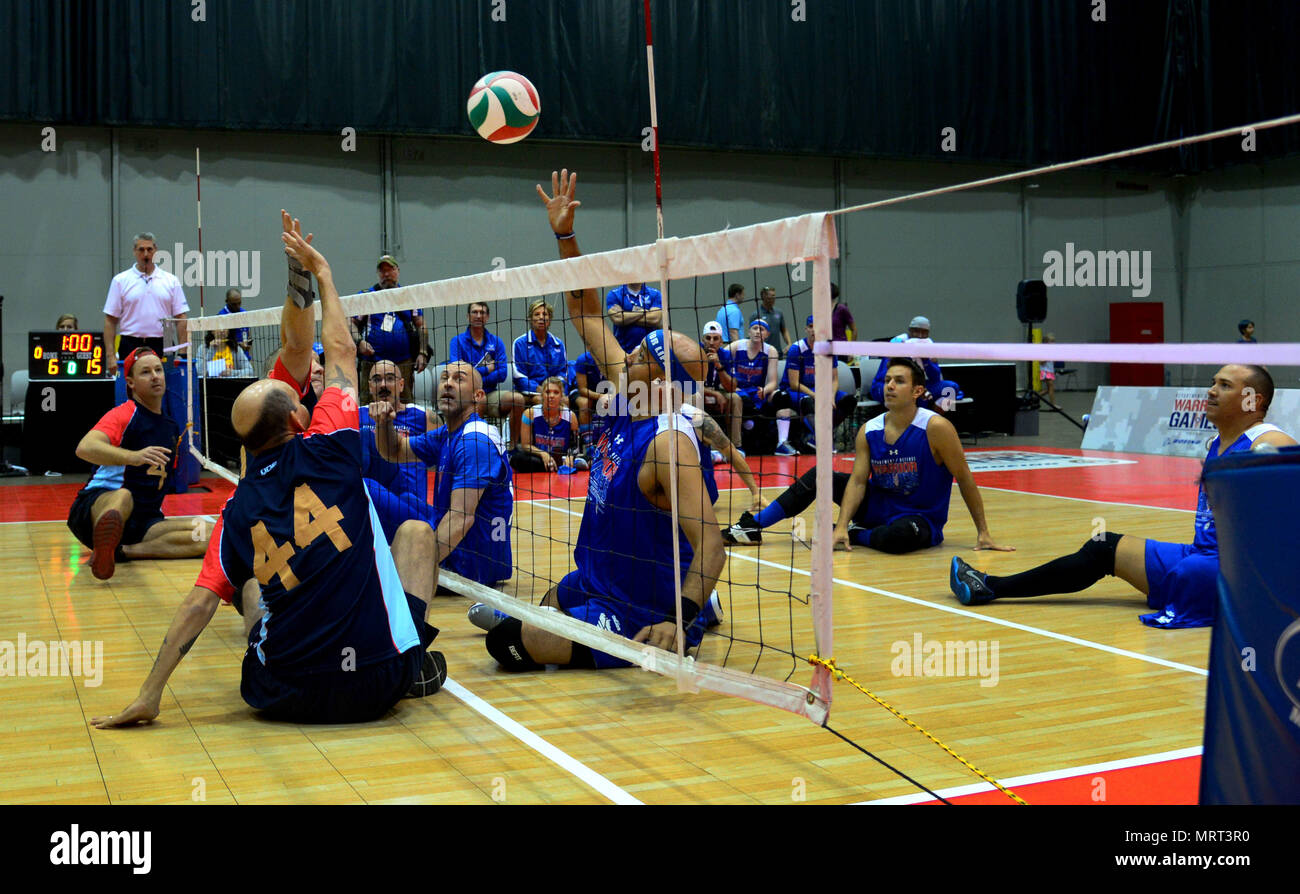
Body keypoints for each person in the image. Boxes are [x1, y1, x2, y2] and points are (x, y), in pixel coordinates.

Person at [91, 211, 446, 729]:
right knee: (413, 534)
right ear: (298, 413)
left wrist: (150, 693)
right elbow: (337, 348)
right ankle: (406, 647)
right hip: (377, 684)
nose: (301, 373)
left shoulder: (237, 502)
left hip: (282, 695)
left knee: (250, 584)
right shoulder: (331, 441)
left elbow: (197, 602)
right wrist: (321, 271)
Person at [472, 168, 725, 673]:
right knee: (544, 605)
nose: (624, 360)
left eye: (640, 360)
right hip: (598, 576)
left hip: (640, 604)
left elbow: (714, 545)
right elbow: (587, 314)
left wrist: (681, 617)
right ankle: (670, 613)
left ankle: (682, 626)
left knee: (507, 645)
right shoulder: (628, 390)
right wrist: (566, 236)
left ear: (662, 385)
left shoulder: (668, 445)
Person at [951, 363, 1295, 628]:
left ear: (1254, 399)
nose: (1210, 391)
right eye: (1213, 382)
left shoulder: (1270, 443)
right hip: (1205, 553)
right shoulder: (1215, 445)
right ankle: (991, 586)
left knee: (1190, 573)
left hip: (1240, 570)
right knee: (1104, 546)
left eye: (1224, 386)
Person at [724, 358, 1012, 555]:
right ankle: (753, 526)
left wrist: (983, 531)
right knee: (819, 476)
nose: (889, 386)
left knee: (898, 540)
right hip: (876, 505)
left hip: (919, 518)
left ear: (917, 391)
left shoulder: (936, 428)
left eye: (899, 381)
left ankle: (857, 532)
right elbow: (859, 482)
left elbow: (963, 477)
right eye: (887, 380)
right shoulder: (869, 429)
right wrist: (839, 524)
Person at [68, 347, 211, 580]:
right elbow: (85, 448)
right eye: (146, 372)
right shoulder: (124, 414)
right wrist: (134, 456)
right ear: (131, 383)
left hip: (144, 521)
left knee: (208, 532)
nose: (155, 376)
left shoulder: (171, 427)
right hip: (97, 507)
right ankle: (105, 538)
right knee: (124, 497)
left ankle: (121, 552)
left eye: (158, 370)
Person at [374, 360, 514, 589]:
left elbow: (461, 519)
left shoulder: (474, 441)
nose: (448, 384)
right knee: (408, 499)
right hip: (467, 545)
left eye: (459, 379)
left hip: (471, 564)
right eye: (444, 378)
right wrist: (383, 424)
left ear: (478, 396)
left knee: (369, 488)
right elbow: (394, 451)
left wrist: (415, 567)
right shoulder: (447, 433)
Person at [358, 359, 438, 541]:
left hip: (411, 501)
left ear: (401, 385)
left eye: (390, 379)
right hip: (375, 501)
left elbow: (443, 462)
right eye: (377, 380)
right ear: (370, 387)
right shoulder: (357, 415)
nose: (384, 384)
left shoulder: (423, 415)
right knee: (365, 436)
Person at [103, 232, 189, 377]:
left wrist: (183, 352)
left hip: (164, 343)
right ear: (134, 252)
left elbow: (181, 318)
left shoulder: (171, 280)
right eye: (141, 250)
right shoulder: (120, 281)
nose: (146, 254)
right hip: (130, 343)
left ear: (155, 251)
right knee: (129, 389)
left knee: (163, 388)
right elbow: (110, 321)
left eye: (149, 249)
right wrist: (110, 356)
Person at [352, 254, 429, 403]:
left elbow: (421, 325)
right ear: (378, 274)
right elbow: (351, 324)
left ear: (398, 271)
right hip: (372, 362)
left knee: (404, 402)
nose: (386, 274)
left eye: (390, 269)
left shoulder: (409, 296)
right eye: (382, 271)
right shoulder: (366, 296)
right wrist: (359, 342)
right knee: (369, 403)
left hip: (403, 362)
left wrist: (423, 352)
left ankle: (404, 427)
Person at [777, 314, 857, 453]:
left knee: (848, 401)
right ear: (806, 329)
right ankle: (823, 440)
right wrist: (816, 395)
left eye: (818, 327)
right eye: (811, 327)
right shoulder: (797, 349)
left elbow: (834, 379)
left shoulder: (828, 349)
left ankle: (817, 437)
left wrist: (831, 396)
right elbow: (794, 384)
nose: (814, 330)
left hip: (819, 389)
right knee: (809, 401)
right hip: (797, 391)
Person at [867, 315, 961, 410]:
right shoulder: (897, 343)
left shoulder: (928, 345)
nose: (920, 336)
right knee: (917, 396)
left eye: (924, 332)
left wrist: (926, 360)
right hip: (888, 386)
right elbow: (886, 376)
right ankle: (915, 422)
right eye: (916, 331)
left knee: (951, 388)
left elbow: (936, 379)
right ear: (910, 331)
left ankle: (936, 417)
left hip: (920, 385)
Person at [510, 298, 569, 445]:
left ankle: (563, 446)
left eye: (545, 314)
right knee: (541, 401)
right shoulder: (520, 343)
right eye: (537, 314)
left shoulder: (558, 344)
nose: (541, 317)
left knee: (566, 401)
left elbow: (563, 374)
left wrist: (552, 390)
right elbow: (518, 375)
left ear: (550, 319)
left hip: (551, 390)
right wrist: (541, 390)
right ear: (530, 318)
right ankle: (521, 445)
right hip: (528, 392)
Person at [447, 301, 516, 423]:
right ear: (468, 316)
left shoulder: (496, 341)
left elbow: (502, 373)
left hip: (490, 393)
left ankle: (513, 443)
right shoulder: (457, 341)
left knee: (517, 399)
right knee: (480, 399)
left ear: (487, 317)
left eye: (482, 312)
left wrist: (473, 376)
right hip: (464, 394)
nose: (478, 316)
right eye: (475, 312)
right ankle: (474, 439)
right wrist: (487, 369)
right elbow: (458, 372)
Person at [511, 376, 589, 473]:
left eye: (556, 392)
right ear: (542, 395)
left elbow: (575, 446)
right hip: (538, 457)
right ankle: (558, 467)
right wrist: (543, 454)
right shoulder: (530, 413)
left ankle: (560, 465)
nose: (551, 396)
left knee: (590, 459)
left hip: (562, 457)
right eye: (547, 392)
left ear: (561, 396)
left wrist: (570, 456)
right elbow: (526, 445)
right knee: (517, 459)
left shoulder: (570, 416)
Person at [729, 319, 784, 452]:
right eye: (754, 328)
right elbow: (722, 364)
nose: (757, 332)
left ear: (767, 334)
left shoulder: (771, 351)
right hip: (737, 390)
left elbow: (772, 382)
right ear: (749, 331)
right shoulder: (736, 346)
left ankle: (781, 443)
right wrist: (730, 386)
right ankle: (743, 438)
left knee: (781, 398)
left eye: (762, 329)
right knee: (744, 402)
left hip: (757, 391)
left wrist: (765, 390)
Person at [700, 321, 742, 445]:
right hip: (699, 392)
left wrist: (718, 365)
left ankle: (735, 446)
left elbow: (732, 387)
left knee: (735, 398)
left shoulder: (726, 355)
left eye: (715, 338)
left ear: (721, 342)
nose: (711, 342)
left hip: (717, 392)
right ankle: (697, 444)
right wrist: (714, 394)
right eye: (708, 338)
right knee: (693, 398)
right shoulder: (694, 352)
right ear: (703, 340)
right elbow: (689, 386)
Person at [605, 282, 663, 352]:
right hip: (623, 350)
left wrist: (627, 316)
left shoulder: (655, 294)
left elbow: (654, 319)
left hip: (650, 350)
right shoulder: (614, 294)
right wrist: (644, 311)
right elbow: (618, 318)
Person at [570, 349, 607, 453]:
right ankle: (589, 446)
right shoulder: (583, 359)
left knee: (618, 403)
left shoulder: (610, 359)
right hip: (582, 393)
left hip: (604, 393)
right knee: (585, 403)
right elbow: (582, 390)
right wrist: (601, 396)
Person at [830, 283, 861, 390]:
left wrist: (850, 349)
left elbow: (854, 329)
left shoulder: (841, 309)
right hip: (827, 349)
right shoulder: (821, 309)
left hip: (840, 350)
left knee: (840, 380)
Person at [754, 286, 791, 357]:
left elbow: (784, 330)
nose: (773, 299)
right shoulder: (756, 314)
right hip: (762, 354)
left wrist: (789, 344)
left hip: (777, 353)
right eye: (770, 297)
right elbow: (753, 336)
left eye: (774, 296)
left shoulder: (779, 312)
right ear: (764, 297)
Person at [1040, 333, 1057, 403]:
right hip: (1045, 371)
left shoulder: (1051, 351)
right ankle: (1053, 404)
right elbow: (1041, 362)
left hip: (1050, 371)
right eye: (1051, 341)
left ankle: (1034, 397)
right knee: (1051, 387)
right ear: (1046, 343)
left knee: (1048, 389)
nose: (1053, 343)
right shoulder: (1044, 351)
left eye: (1053, 342)